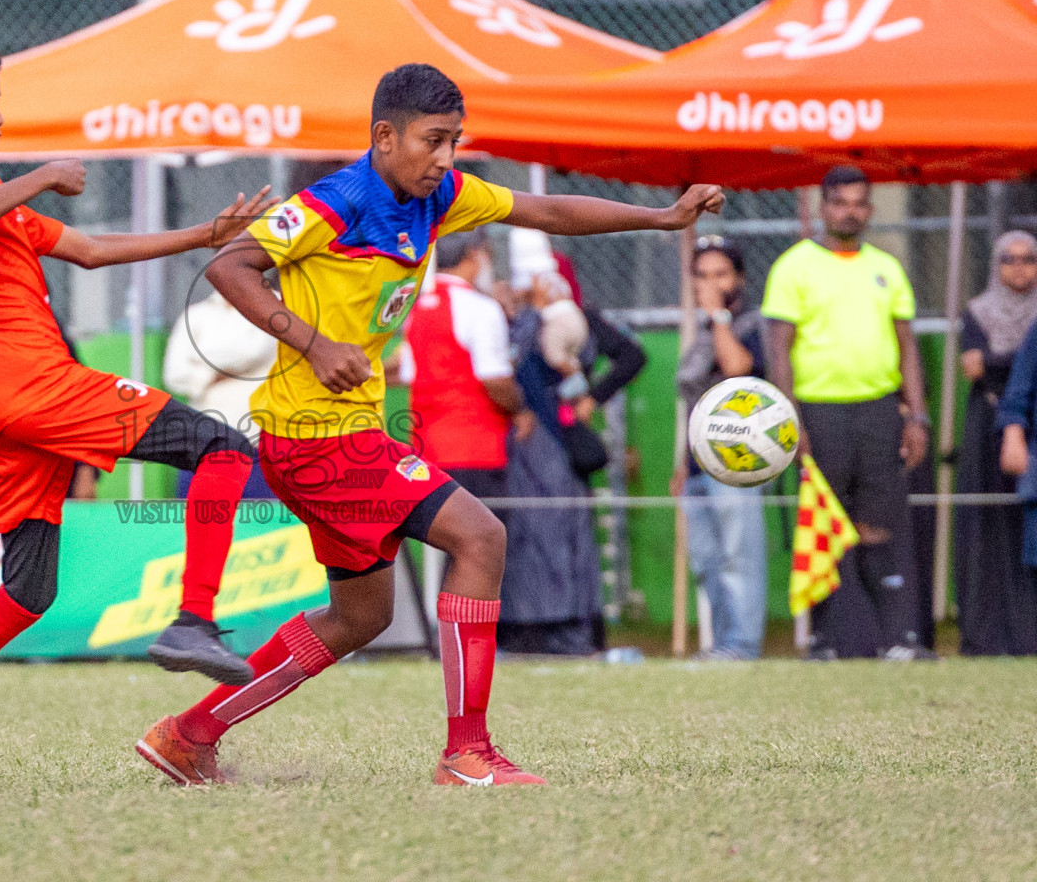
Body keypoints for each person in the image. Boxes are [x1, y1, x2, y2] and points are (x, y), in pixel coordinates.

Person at [137, 63, 722, 787]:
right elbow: (231, 266)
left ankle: (190, 735)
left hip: (340, 436)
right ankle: (467, 753)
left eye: (454, 141)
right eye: (433, 140)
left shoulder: (439, 196)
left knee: (360, 617)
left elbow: (546, 213)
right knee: (481, 537)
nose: (446, 157)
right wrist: (313, 342)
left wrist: (662, 218)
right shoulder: (333, 202)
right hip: (318, 439)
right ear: (385, 137)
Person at [0, 39, 273, 795]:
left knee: (26, 591)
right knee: (226, 450)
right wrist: (41, 176)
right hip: (34, 386)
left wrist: (203, 239)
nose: (0, 116)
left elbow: (90, 249)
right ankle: (195, 620)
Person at [763, 165, 934, 660]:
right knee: (825, 524)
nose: (850, 211)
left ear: (871, 210)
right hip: (818, 415)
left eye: (860, 202)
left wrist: (916, 416)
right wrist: (789, 421)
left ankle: (898, 640)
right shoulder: (795, 266)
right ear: (823, 206)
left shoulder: (887, 267)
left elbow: (907, 348)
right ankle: (829, 641)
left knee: (882, 524)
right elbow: (779, 351)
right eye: (840, 202)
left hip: (880, 412)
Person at [495, 235, 646, 656]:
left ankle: (567, 629)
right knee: (526, 535)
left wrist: (590, 399)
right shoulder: (521, 319)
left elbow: (632, 356)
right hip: (523, 446)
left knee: (560, 534)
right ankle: (527, 629)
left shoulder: (574, 319)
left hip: (556, 443)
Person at [674, 236, 768, 660]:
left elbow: (737, 370)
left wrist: (719, 315)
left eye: (721, 274)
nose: (711, 283)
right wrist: (681, 465)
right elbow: (694, 405)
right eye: (702, 275)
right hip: (697, 464)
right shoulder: (702, 333)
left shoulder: (748, 324)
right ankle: (724, 644)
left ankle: (742, 646)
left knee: (738, 556)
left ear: (739, 279)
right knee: (707, 561)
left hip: (736, 460)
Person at [400, 230, 520, 504]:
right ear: (472, 255)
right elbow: (494, 379)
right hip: (477, 449)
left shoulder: (418, 311)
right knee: (483, 539)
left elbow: (410, 373)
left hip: (425, 451)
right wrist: (520, 407)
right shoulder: (480, 308)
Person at [962, 231, 1037, 655]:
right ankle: (989, 637)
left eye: (1028, 258)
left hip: (1032, 429)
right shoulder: (979, 311)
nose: (1019, 267)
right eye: (1008, 259)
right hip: (992, 425)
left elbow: (983, 362)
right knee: (990, 530)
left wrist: (993, 360)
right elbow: (972, 368)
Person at [163, 285, 280, 500]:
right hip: (203, 446)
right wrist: (211, 375)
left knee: (262, 528)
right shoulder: (196, 314)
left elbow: (251, 352)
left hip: (260, 446)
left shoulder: (276, 307)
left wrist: (198, 356)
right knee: (196, 524)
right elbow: (174, 374)